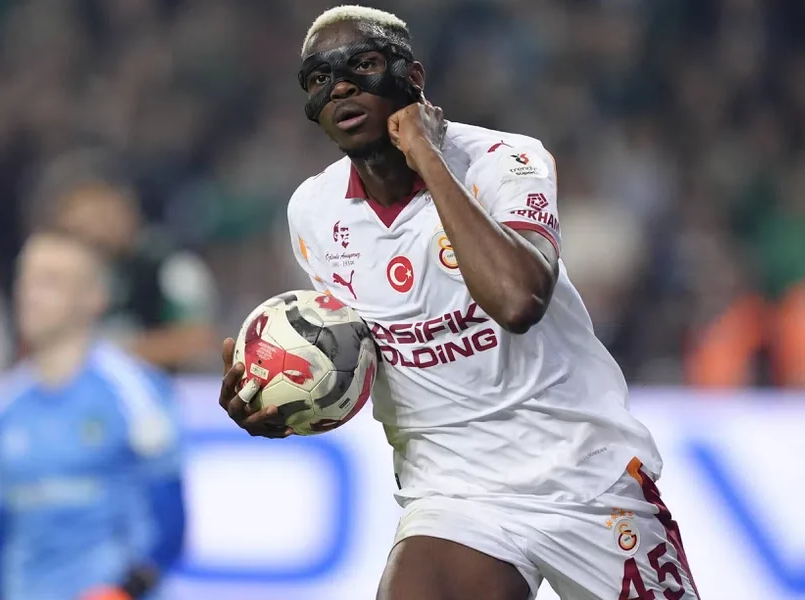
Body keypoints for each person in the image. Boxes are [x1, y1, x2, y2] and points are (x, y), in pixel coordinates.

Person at [218, 6, 701, 600]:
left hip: (585, 474)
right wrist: (281, 399)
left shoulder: (507, 161)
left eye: (362, 65)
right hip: (454, 493)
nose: (340, 85)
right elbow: (361, 350)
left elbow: (518, 300)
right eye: (319, 78)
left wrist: (429, 159)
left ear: (412, 77)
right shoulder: (312, 214)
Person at [0, 230, 186, 600]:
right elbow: (2, 533)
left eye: (50, 281)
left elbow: (171, 523)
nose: (30, 294)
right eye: (24, 279)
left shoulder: (135, 393)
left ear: (94, 298)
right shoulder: (2, 408)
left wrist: (123, 591)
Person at [52, 178, 218, 372]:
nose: (92, 231)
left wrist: (116, 356)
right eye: (77, 227)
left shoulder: (172, 267)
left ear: (127, 213)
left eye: (101, 216)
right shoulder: (65, 279)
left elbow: (198, 339)